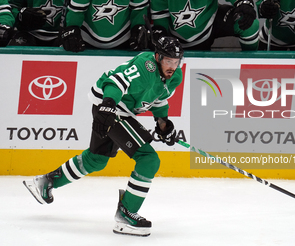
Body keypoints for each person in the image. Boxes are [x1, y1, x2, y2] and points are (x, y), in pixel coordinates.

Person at [23, 36, 184, 237]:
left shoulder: (175, 76)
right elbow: (116, 81)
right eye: (168, 61)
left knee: (97, 159)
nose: (173, 66)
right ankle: (126, 214)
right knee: (149, 159)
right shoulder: (146, 65)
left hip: (120, 109)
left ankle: (45, 182)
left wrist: (163, 124)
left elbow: (158, 99)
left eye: (177, 62)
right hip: (111, 106)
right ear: (158, 57)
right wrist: (108, 104)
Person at [150, 0, 259, 51]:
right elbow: (160, 22)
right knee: (160, 42)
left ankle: (251, 65)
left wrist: (242, 2)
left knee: (248, 23)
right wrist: (161, 36)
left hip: (210, 21)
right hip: (177, 37)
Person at [60, 0, 149, 52]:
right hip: (86, 39)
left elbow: (139, 9)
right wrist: (72, 27)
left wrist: (138, 27)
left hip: (124, 40)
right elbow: (77, 10)